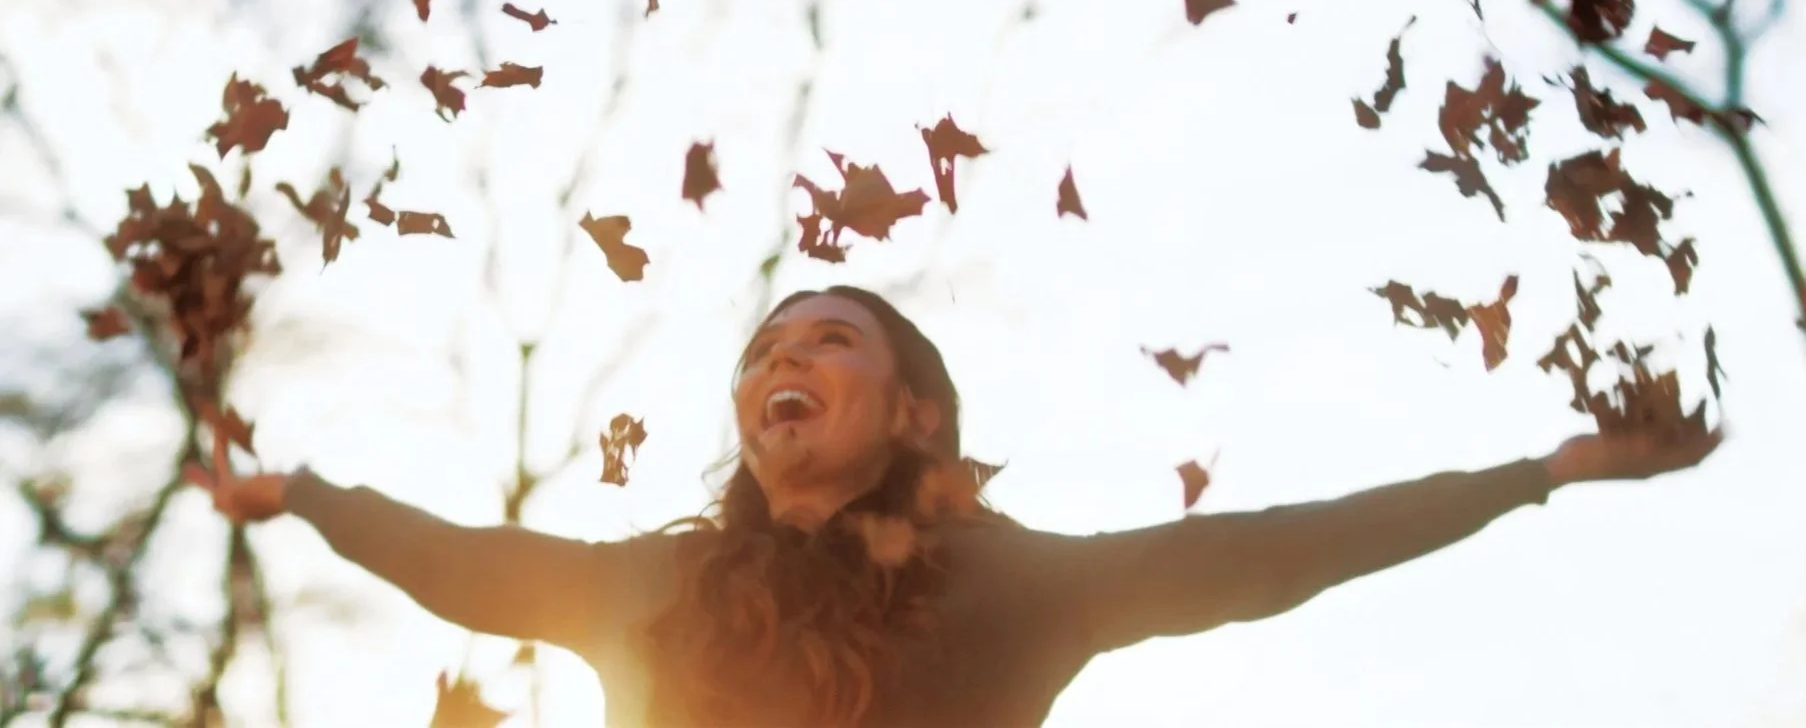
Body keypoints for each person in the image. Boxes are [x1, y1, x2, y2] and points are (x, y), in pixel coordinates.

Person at [186, 284, 1721, 728]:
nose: (783, 359)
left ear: (911, 408)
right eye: (764, 350)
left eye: (829, 339)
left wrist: (1535, 474)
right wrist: (305, 492)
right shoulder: (640, 595)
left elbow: (1266, 554)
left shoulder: (1016, 590)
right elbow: (466, 562)